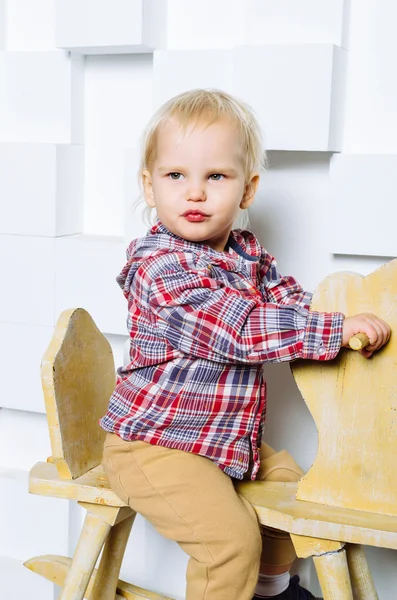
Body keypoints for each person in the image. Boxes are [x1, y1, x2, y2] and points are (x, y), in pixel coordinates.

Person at [100, 89, 390, 600]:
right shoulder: (158, 267)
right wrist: (327, 333)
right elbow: (238, 328)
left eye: (216, 176)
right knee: (229, 543)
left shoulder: (248, 255)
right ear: (148, 186)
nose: (195, 192)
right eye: (175, 176)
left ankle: (272, 591)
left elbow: (292, 306)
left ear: (247, 189)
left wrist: (342, 323)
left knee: (299, 488)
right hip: (154, 444)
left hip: (222, 443)